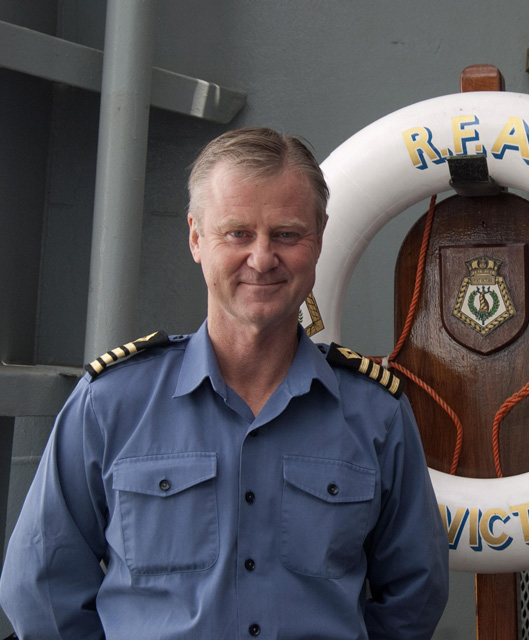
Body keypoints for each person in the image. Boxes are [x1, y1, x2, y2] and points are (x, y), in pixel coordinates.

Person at [0, 127, 449, 639]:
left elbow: (415, 594)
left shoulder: (377, 415)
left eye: (286, 234)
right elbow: (40, 588)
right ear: (196, 238)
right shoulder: (110, 404)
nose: (262, 258)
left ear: (319, 239)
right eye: (237, 233)